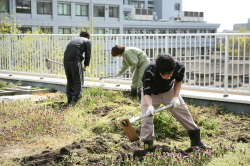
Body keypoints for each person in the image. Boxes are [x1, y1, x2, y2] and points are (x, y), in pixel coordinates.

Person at [140, 53, 211, 149]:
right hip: (152, 94)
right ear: (158, 70)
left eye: (168, 75)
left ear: (173, 70)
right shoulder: (150, 70)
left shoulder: (180, 67)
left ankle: (196, 142)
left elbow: (178, 81)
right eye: (162, 75)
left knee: (184, 113)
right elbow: (146, 92)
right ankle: (148, 146)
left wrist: (176, 97)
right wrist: (149, 106)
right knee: (147, 118)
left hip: (169, 91)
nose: (165, 77)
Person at [63, 30, 91, 104]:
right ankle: (76, 100)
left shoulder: (73, 40)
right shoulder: (86, 41)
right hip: (75, 61)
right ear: (88, 37)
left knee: (70, 80)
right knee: (78, 81)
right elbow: (88, 55)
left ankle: (69, 100)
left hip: (66, 61)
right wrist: (85, 65)